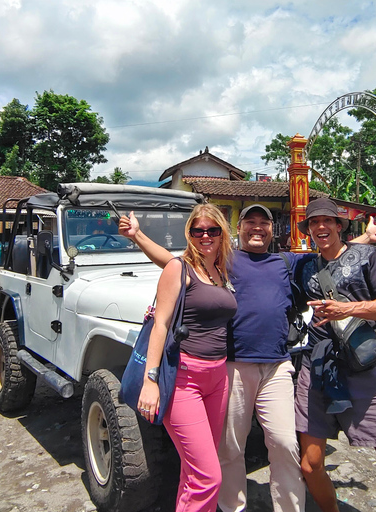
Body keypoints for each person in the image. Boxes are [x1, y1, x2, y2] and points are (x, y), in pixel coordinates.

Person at [121, 204, 376, 512]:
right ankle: (233, 507)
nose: (257, 227)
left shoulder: (287, 262)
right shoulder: (224, 261)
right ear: (238, 229)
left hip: (276, 365)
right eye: (250, 222)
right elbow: (173, 263)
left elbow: (332, 252)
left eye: (264, 222)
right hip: (232, 366)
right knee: (230, 449)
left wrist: (366, 239)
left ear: (273, 230)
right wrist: (138, 236)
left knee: (286, 443)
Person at [294, 198, 376, 512]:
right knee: (310, 465)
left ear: (338, 226)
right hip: (317, 366)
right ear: (308, 229)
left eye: (327, 221)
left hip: (360, 366)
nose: (320, 227)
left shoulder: (369, 257)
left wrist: (346, 309)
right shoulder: (305, 266)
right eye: (313, 222)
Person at [138, 203, 237, 512]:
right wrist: (150, 381)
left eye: (212, 230)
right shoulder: (179, 268)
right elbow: (161, 324)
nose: (205, 235)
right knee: (209, 477)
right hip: (184, 378)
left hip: (217, 378)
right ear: (190, 234)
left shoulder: (219, 270)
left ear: (222, 234)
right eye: (198, 230)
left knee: (194, 470)